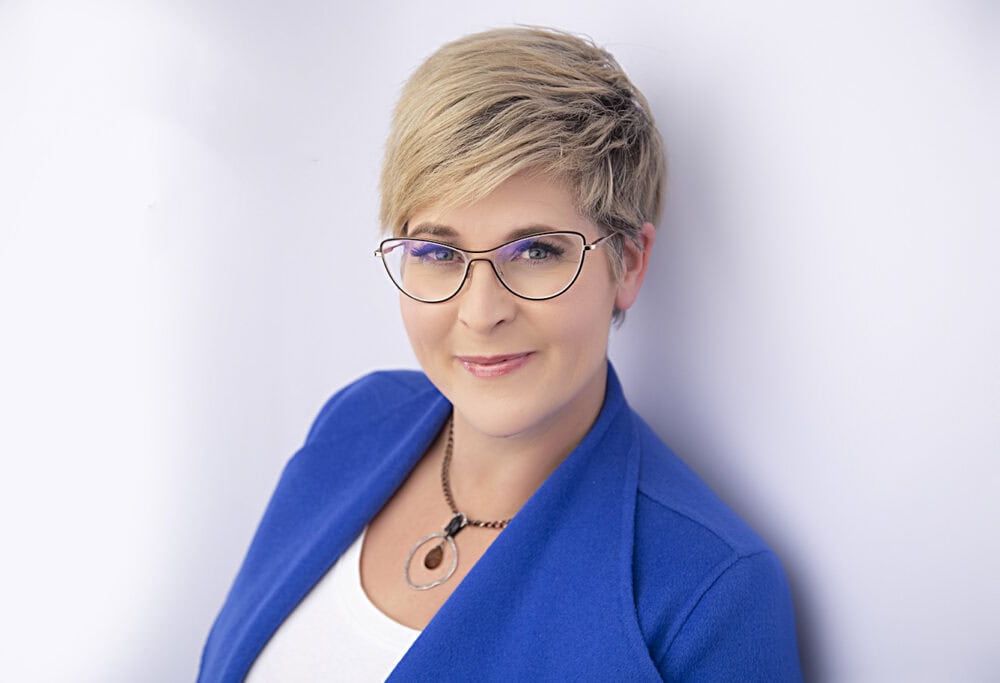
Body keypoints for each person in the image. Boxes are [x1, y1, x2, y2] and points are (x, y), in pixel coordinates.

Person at [198, 26, 802, 682]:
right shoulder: (354, 422)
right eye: (437, 251)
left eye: (537, 251)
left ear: (628, 263)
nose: (481, 312)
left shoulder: (708, 592)